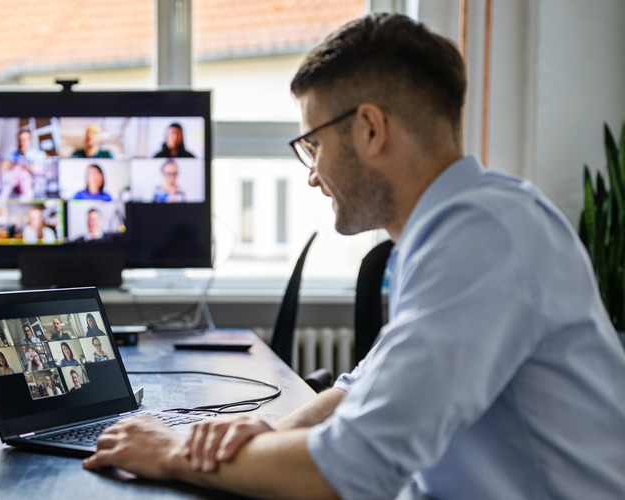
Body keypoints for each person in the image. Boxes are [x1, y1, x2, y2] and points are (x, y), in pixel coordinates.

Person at [82, 13, 625, 500]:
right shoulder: (461, 224)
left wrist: (173, 453)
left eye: (312, 146)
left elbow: (352, 469)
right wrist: (268, 433)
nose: (313, 174)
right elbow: (364, 384)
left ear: (370, 128)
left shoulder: (482, 237)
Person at [0, 130, 42, 201]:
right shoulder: (13, 155)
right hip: (14, 181)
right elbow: (5, 167)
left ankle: (26, 197)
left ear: (30, 141)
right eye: (20, 140)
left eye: (25, 140)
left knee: (23, 173)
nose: (22, 143)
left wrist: (28, 168)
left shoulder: (39, 155)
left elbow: (40, 170)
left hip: (30, 181)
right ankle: (2, 199)